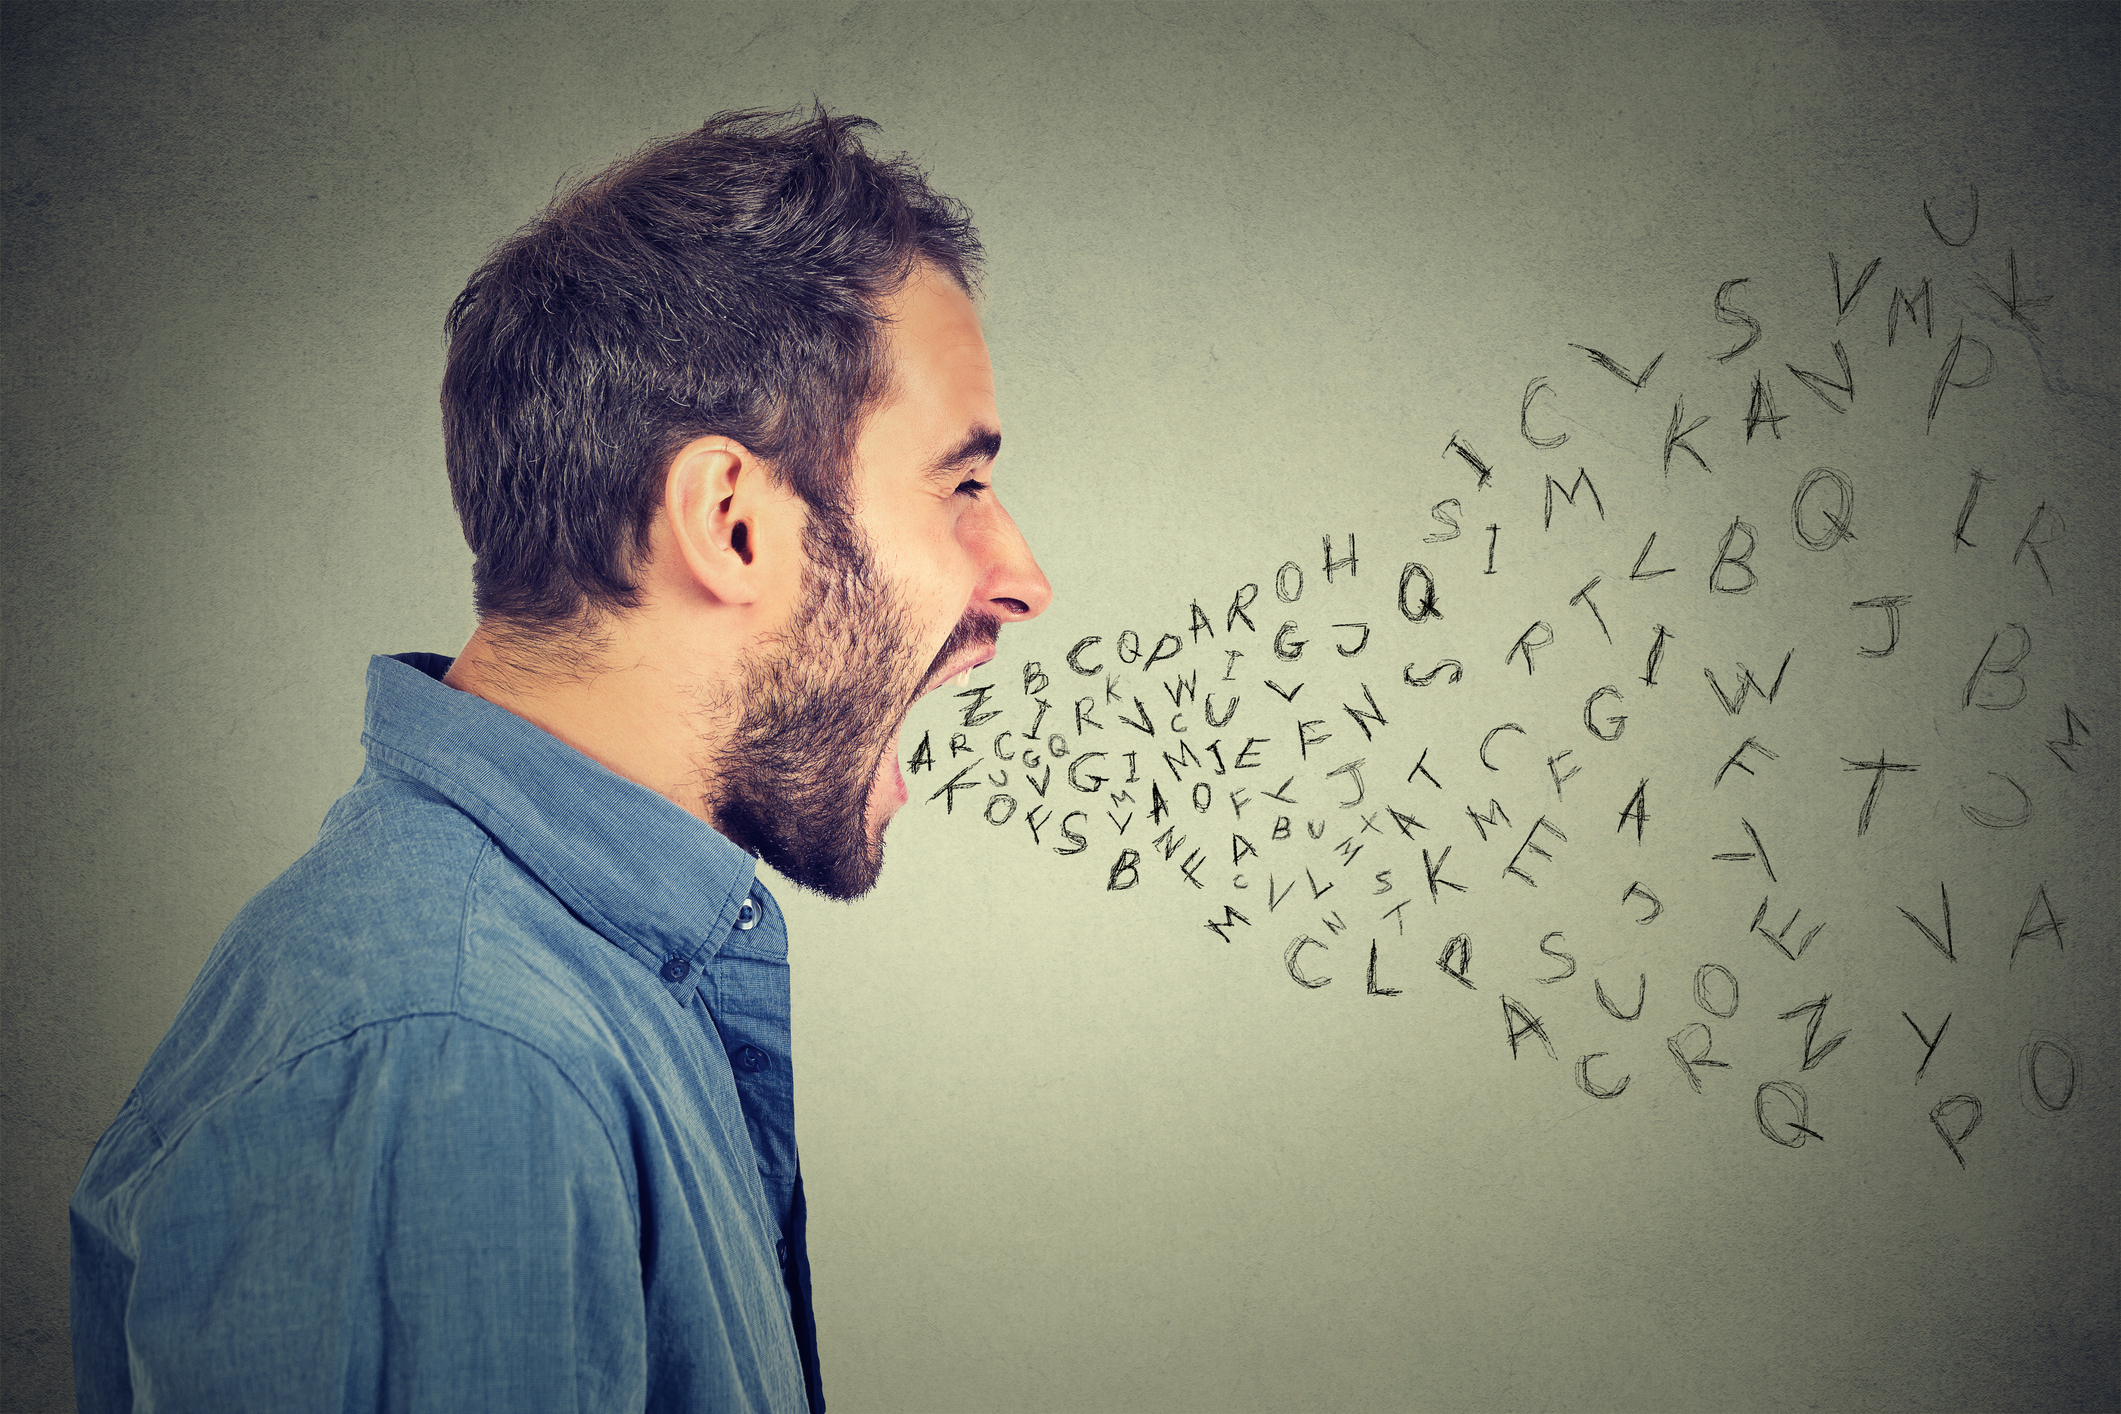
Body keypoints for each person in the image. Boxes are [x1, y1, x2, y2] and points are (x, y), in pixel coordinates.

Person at [68, 107, 1050, 1413]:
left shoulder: (570, 982)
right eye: (961, 487)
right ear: (733, 525)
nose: (1020, 579)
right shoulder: (460, 1062)